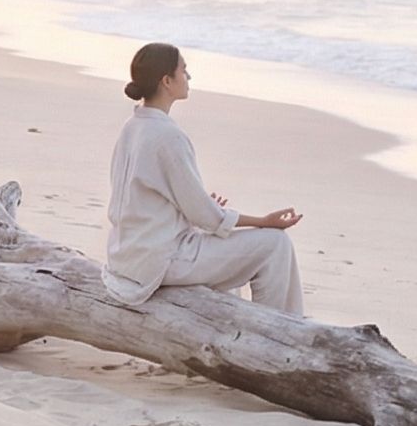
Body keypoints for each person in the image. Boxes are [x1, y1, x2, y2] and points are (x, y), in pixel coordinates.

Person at [102, 41, 304, 314]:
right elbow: (206, 217)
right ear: (167, 81)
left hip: (127, 253)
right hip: (159, 259)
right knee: (275, 244)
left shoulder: (133, 125)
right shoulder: (167, 136)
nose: (189, 77)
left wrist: (197, 211)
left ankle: (240, 329)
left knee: (223, 247)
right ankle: (285, 334)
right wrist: (264, 222)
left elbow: (147, 197)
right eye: (183, 71)